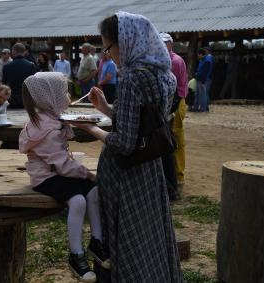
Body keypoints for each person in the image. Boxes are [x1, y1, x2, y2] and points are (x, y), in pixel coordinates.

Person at [72, 12, 182, 282]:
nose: (108, 55)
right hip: (150, 170)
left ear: (127, 41)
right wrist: (106, 109)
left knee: (127, 236)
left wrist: (90, 127)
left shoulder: (133, 79)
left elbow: (124, 142)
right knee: (149, 234)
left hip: (126, 175)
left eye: (108, 47)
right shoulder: (165, 75)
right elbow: (144, 125)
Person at [19, 72, 109, 283]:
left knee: (94, 192)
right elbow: (62, 165)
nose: (68, 96)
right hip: (46, 177)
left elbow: (64, 166)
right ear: (50, 98)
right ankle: (76, 255)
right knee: (78, 200)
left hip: (60, 172)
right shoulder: (47, 129)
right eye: (65, 92)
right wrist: (88, 174)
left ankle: (97, 242)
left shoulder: (50, 117)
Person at [161, 33, 188, 189]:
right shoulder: (164, 59)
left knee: (177, 139)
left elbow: (177, 89)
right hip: (170, 102)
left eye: (166, 43)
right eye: (161, 43)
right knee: (167, 138)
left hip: (177, 102)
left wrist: (172, 108)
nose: (163, 46)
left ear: (170, 44)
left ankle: (179, 176)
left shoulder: (175, 61)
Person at [2, 43, 37, 108]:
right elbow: (34, 85)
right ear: (24, 52)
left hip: (12, 101)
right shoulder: (31, 66)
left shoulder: (7, 67)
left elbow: (4, 85)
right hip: (27, 101)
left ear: (13, 52)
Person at [194, 48, 213, 112]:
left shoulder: (207, 61)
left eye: (198, 54)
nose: (197, 56)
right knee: (199, 94)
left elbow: (205, 72)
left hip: (202, 80)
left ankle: (203, 108)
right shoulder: (202, 60)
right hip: (199, 78)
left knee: (203, 94)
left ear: (201, 54)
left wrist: (203, 81)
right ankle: (198, 107)